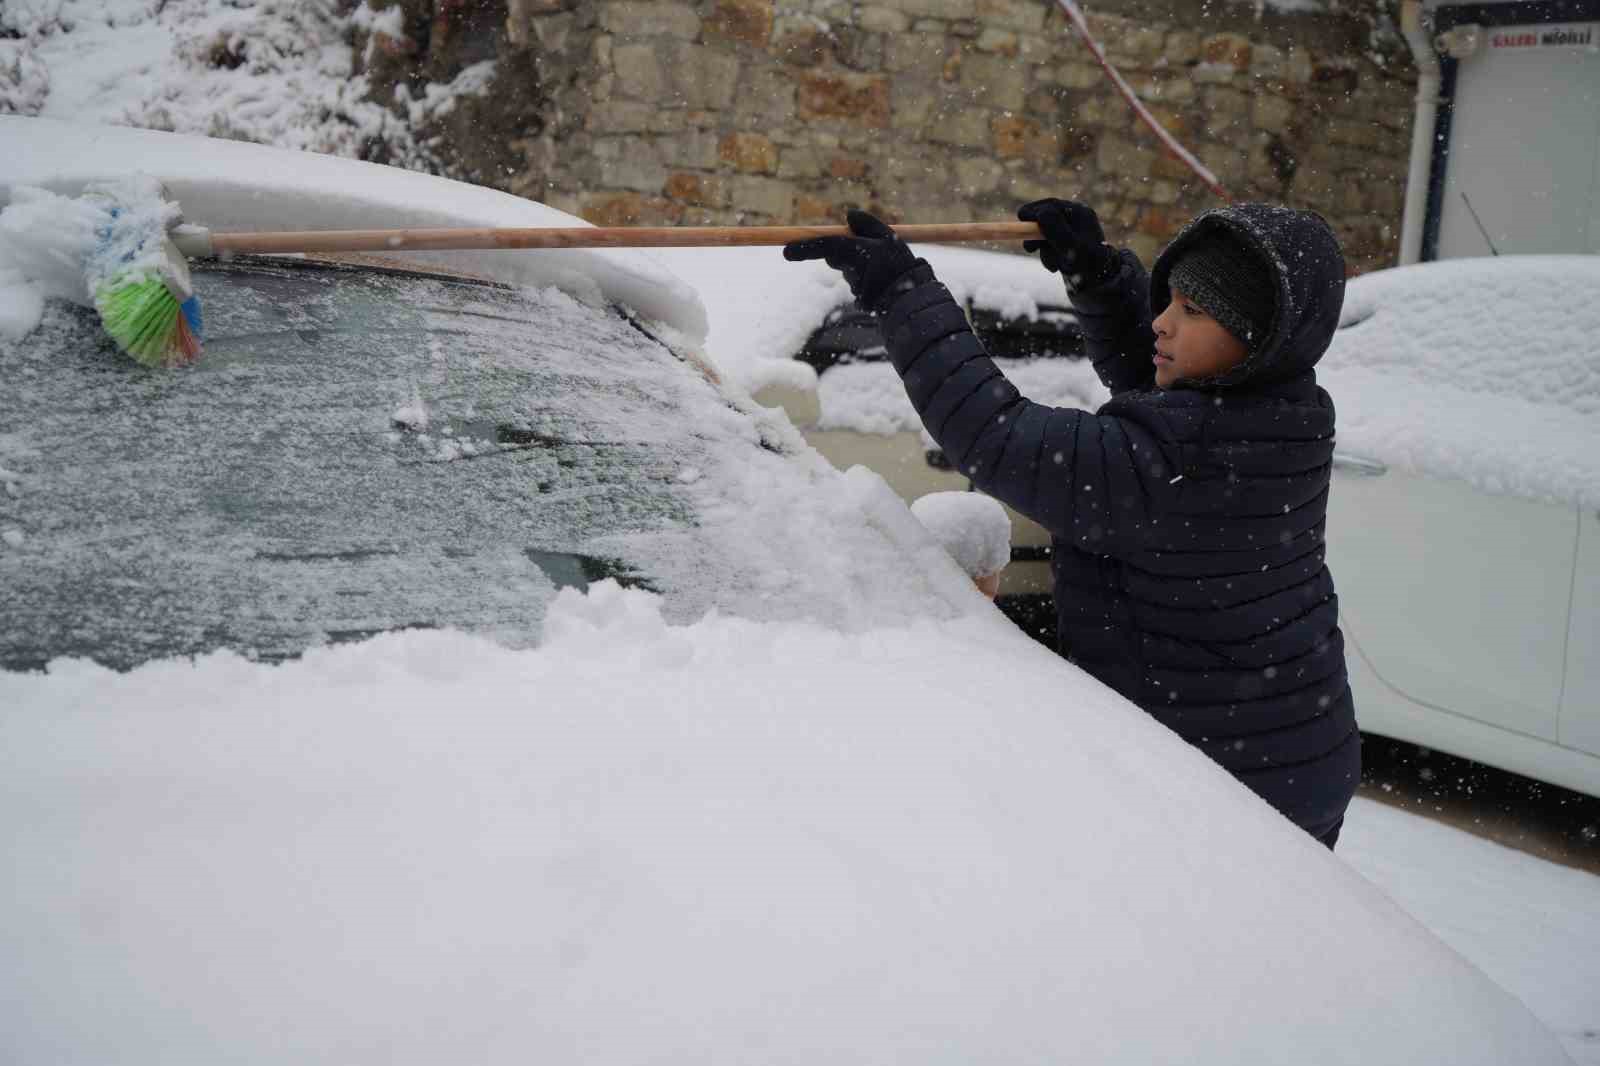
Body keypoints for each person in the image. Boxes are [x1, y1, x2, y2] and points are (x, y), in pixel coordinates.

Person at [784, 199, 1359, 849]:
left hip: (1228, 791)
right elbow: (1165, 392)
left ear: (1257, 340)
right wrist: (1099, 278)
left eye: (1193, 311)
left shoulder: (1177, 460)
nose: (1163, 323)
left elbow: (995, 434)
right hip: (1293, 751)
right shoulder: (1290, 411)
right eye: (1169, 301)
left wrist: (900, 292)